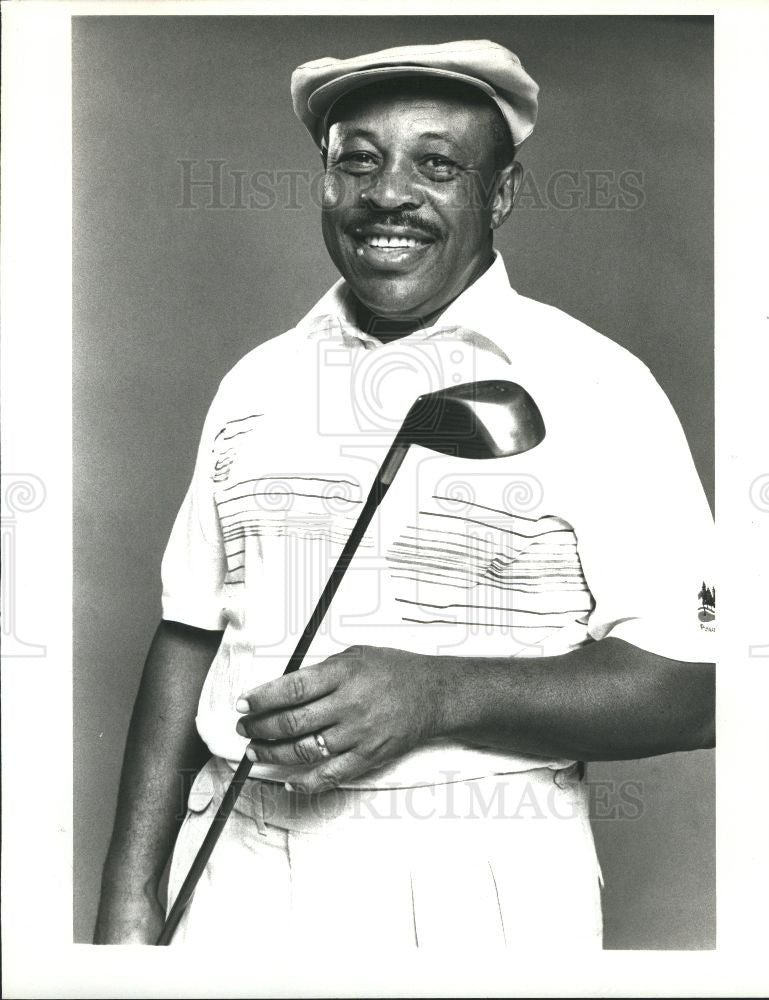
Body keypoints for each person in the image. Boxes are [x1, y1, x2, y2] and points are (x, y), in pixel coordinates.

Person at [95, 39, 715, 949]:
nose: (388, 193)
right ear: (326, 183)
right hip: (231, 859)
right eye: (358, 160)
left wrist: (436, 694)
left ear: (498, 194)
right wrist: (131, 895)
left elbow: (702, 690)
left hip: (476, 875)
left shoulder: (595, 383)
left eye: (437, 164)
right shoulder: (256, 381)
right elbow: (192, 629)